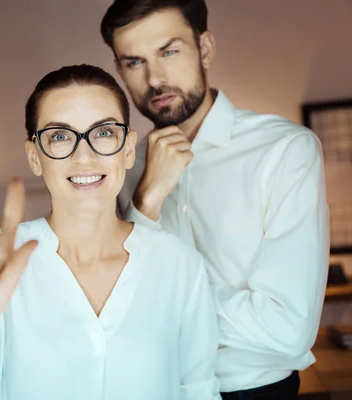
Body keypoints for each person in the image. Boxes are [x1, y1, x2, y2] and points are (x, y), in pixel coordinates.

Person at [0, 64, 221, 400]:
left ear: (128, 149)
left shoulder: (180, 264)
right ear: (35, 156)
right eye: (59, 136)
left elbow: (199, 389)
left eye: (103, 133)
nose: (84, 157)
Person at [100, 1, 330, 399]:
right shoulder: (120, 169)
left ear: (204, 48)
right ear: (119, 70)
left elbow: (289, 329)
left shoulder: (285, 151)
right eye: (134, 62)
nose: (155, 78)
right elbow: (115, 307)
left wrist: (169, 304)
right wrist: (147, 199)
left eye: (169, 51)